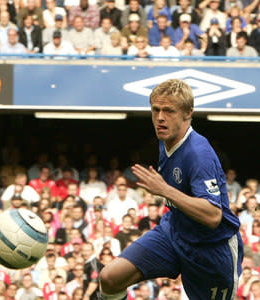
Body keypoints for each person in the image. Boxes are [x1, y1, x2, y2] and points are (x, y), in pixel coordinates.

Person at [99, 79, 243, 300]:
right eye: (155, 110)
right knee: (110, 278)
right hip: (174, 232)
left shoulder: (198, 154)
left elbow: (213, 215)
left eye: (168, 111)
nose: (160, 118)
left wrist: (165, 190)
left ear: (188, 113)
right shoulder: (165, 138)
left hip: (211, 250)